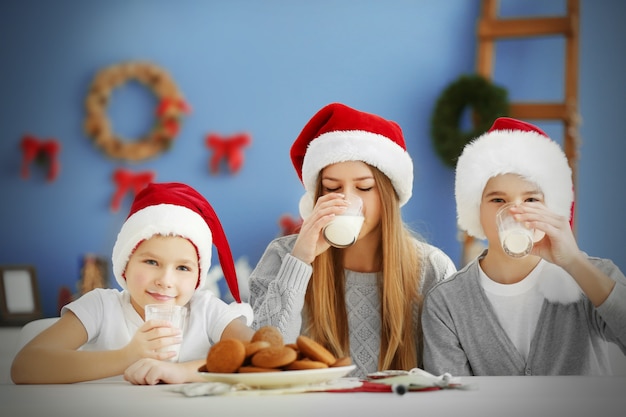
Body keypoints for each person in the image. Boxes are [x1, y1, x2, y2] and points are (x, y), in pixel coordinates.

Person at [248, 102, 457, 378]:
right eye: (332, 188)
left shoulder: (431, 268)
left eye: (364, 187)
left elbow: (448, 377)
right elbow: (264, 359)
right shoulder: (283, 256)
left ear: (389, 194)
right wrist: (300, 261)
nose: (346, 200)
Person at [422, 117, 626, 376]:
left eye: (531, 199)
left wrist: (574, 262)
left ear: (552, 206)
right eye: (498, 200)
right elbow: (450, 402)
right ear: (476, 209)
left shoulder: (590, 277)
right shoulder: (447, 302)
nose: (516, 213)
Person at [11, 182, 254, 384]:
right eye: (151, 262)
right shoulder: (101, 307)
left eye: (183, 268)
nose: (165, 281)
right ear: (125, 264)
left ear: (198, 276)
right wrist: (128, 356)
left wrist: (185, 372)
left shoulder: (206, 310)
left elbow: (258, 352)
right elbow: (25, 366)